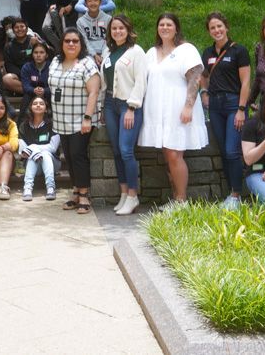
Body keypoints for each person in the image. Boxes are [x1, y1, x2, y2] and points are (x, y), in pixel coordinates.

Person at [138, 13, 209, 203]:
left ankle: (181, 201)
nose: (165, 27)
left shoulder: (186, 49)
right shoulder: (151, 53)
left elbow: (195, 78)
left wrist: (188, 107)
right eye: (161, 24)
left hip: (177, 109)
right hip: (157, 111)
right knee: (168, 155)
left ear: (176, 28)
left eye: (169, 24)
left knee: (174, 154)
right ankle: (175, 197)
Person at [199, 12, 251, 210]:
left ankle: (236, 195)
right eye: (212, 28)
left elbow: (246, 81)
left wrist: (241, 109)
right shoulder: (207, 53)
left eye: (219, 26)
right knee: (223, 150)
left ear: (226, 27)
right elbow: (204, 75)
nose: (217, 30)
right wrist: (204, 92)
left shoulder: (239, 50)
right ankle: (231, 193)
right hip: (215, 106)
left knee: (232, 151)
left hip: (233, 105)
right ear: (209, 31)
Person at [49, 28, 101, 214]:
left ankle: (84, 195)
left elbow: (94, 92)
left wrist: (87, 118)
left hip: (81, 119)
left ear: (81, 44)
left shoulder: (87, 64)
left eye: (75, 41)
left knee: (78, 155)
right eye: (67, 41)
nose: (71, 44)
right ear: (62, 43)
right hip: (61, 119)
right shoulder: (55, 62)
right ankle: (76, 191)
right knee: (69, 157)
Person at [101, 15, 147, 216]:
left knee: (126, 150)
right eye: (114, 28)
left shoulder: (136, 52)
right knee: (117, 151)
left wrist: (132, 107)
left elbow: (140, 81)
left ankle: (133, 195)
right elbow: (106, 80)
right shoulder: (108, 51)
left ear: (128, 30)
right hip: (110, 104)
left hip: (128, 105)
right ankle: (123, 194)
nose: (117, 31)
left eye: (121, 28)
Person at [18, 96, 60, 201]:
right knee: (34, 156)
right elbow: (23, 150)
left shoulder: (53, 125)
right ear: (30, 107)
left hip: (52, 163)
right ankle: (27, 189)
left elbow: (53, 147)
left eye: (41, 103)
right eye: (35, 103)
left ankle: (50, 187)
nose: (38, 105)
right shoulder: (24, 126)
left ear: (46, 109)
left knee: (45, 154)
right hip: (33, 165)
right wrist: (34, 153)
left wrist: (33, 147)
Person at [2, 17, 42, 94]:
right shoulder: (8, 46)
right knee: (6, 79)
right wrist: (23, 74)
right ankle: (33, 92)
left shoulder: (34, 40)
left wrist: (38, 44)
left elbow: (47, 54)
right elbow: (9, 65)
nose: (19, 29)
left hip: (36, 72)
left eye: (22, 26)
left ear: (27, 29)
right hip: (19, 75)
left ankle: (33, 91)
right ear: (13, 30)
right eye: (16, 27)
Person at [76, 0, 111, 66]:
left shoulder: (108, 19)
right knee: (89, 65)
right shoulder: (80, 21)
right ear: (86, 4)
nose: (93, 3)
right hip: (88, 51)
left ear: (100, 2)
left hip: (106, 49)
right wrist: (94, 55)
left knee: (107, 65)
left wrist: (103, 54)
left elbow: (108, 39)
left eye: (95, 0)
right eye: (89, 1)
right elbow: (84, 40)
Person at [20, 42, 50, 109]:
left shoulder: (52, 67)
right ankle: (21, 119)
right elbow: (25, 86)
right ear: (32, 54)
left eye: (42, 52)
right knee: (26, 97)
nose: (38, 55)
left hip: (48, 94)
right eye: (35, 52)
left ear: (46, 55)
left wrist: (45, 90)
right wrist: (33, 90)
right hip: (31, 94)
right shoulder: (26, 67)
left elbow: (55, 86)